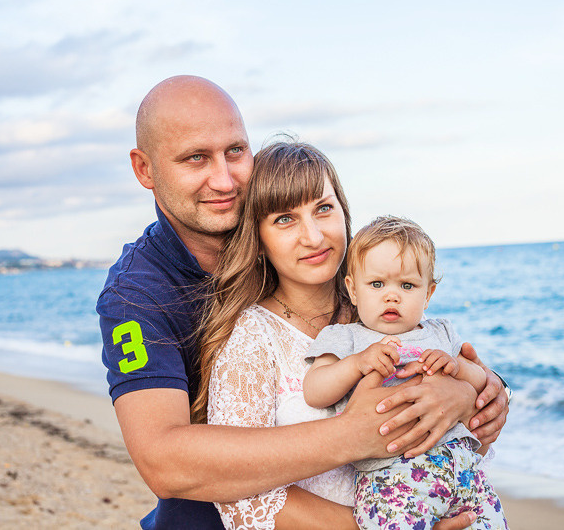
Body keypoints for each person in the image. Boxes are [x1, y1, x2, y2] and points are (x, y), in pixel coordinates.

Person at [98, 75, 510, 529]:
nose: (225, 178)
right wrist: (353, 444)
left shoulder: (351, 285)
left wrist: (472, 390)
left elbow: (441, 370)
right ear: (145, 169)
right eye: (196, 158)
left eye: (235, 151)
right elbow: (164, 462)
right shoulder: (136, 295)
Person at [194, 140, 508, 529]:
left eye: (323, 209)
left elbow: (473, 431)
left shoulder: (385, 313)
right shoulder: (253, 339)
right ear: (257, 239)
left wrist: (473, 393)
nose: (313, 236)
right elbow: (234, 489)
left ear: (344, 213)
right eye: (284, 219)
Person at [303, 216, 507, 529]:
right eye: (376, 284)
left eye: (407, 285)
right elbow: (315, 390)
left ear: (428, 294)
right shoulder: (346, 338)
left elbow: (482, 383)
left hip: (465, 473)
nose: (392, 295)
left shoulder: (441, 333)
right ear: (353, 290)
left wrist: (459, 367)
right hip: (392, 479)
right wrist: (356, 364)